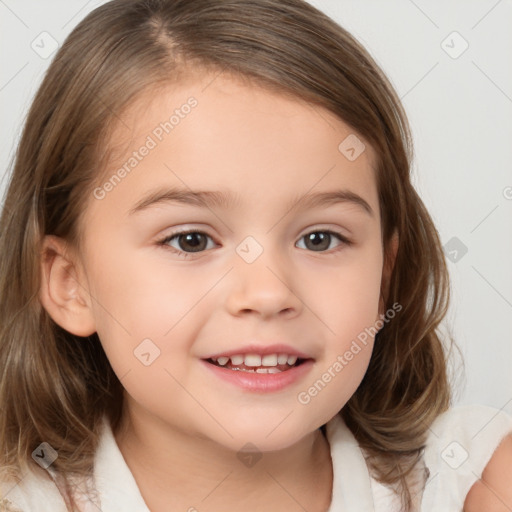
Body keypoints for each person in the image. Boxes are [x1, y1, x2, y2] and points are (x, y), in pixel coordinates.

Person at [0, 0, 510, 511]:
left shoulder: (473, 483)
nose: (268, 293)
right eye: (191, 240)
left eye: (320, 238)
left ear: (385, 279)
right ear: (71, 283)